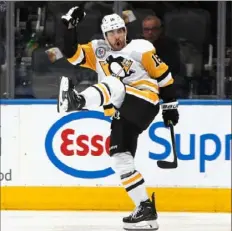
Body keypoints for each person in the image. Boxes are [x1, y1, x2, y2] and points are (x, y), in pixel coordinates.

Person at [57, 6, 179, 231]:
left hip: (143, 99)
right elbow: (71, 53)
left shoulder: (141, 48)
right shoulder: (98, 50)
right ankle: (145, 211)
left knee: (113, 82)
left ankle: (78, 102)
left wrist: (170, 106)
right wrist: (68, 26)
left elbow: (164, 76)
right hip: (123, 109)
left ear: (126, 30)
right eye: (112, 33)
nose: (117, 37)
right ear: (104, 36)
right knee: (120, 159)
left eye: (120, 31)